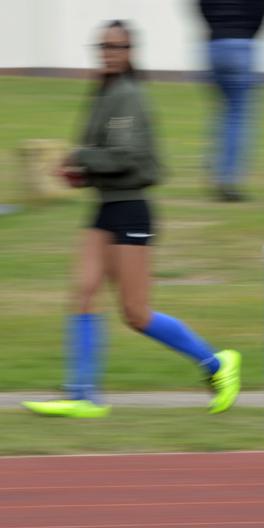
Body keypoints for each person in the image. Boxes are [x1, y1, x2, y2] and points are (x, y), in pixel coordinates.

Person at [22, 21, 241, 419]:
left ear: (130, 51)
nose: (109, 52)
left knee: (136, 313)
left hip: (131, 210)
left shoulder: (129, 96)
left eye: (117, 46)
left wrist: (80, 160)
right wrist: (79, 173)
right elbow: (103, 156)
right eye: (104, 45)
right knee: (83, 292)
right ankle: (84, 395)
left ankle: (216, 364)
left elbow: (125, 157)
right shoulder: (104, 93)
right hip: (106, 208)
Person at [198, 0, 264, 202]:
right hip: (242, 43)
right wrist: (248, 35)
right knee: (237, 115)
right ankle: (227, 178)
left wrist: (216, 29)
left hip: (216, 45)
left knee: (222, 110)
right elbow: (262, 7)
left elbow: (202, 5)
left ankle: (214, 166)